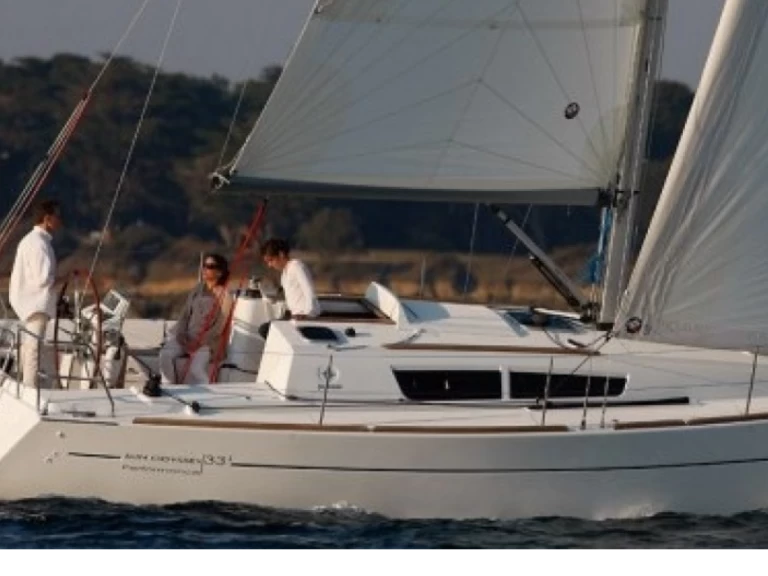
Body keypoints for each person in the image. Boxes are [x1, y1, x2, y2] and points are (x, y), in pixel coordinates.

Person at [158, 253, 234, 385]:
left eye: (210, 266)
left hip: (206, 343)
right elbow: (185, 315)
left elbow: (219, 327)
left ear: (220, 272)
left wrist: (199, 342)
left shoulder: (225, 296)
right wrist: (181, 334)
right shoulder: (197, 289)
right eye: (204, 265)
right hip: (186, 337)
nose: (205, 269)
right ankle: (168, 387)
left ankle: (207, 395)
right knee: (165, 355)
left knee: (196, 369)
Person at [9, 199, 62, 388]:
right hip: (36, 304)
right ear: (47, 219)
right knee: (33, 349)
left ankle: (32, 387)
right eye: (57, 216)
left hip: (29, 303)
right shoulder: (39, 244)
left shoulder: (32, 241)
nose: (60, 220)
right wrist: (64, 279)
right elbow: (43, 279)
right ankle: (30, 390)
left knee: (30, 348)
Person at [259, 238, 321, 340]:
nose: (270, 265)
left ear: (281, 254)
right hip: (293, 317)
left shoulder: (297, 266)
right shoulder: (284, 274)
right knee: (265, 329)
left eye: (271, 260)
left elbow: (309, 291)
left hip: (305, 317)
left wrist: (308, 315)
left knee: (265, 330)